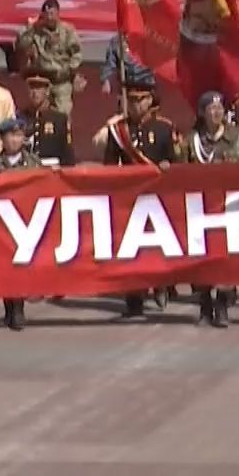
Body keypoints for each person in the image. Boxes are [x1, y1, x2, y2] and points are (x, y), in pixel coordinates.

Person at [94, 78, 173, 318]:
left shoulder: (163, 128)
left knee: (157, 246)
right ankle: (134, 299)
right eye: (133, 100)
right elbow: (110, 165)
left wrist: (167, 165)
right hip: (130, 197)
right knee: (131, 248)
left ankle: (160, 284)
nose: (137, 105)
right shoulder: (118, 130)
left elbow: (175, 160)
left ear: (150, 101)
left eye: (142, 100)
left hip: (157, 197)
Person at [175, 93, 239, 328]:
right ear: (202, 112)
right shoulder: (191, 140)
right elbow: (179, 171)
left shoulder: (236, 137)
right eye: (211, 108)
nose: (217, 112)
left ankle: (222, 306)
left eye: (220, 108)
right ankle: (204, 305)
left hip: (229, 208)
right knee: (201, 259)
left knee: (227, 259)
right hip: (199, 209)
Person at [0, 117, 39, 329]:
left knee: (20, 267)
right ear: (2, 139)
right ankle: (8, 309)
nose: (15, 140)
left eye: (19, 135)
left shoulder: (33, 163)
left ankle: (18, 309)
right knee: (4, 267)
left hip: (26, 222)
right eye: (11, 136)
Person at [14, 0, 82, 114]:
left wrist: (71, 69)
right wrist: (30, 28)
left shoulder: (67, 31)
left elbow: (77, 53)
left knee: (63, 112)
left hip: (61, 79)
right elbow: (22, 45)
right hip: (42, 79)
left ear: (58, 13)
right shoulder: (36, 30)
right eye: (47, 14)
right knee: (40, 111)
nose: (50, 17)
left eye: (52, 14)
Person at [18, 76, 73, 167]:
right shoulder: (21, 117)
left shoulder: (59, 119)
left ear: (47, 91)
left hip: (52, 168)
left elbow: (67, 151)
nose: (35, 92)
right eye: (32, 88)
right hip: (27, 168)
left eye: (39, 88)